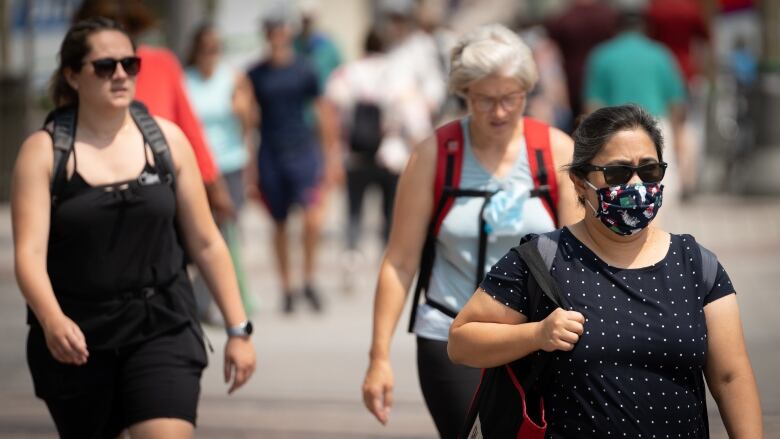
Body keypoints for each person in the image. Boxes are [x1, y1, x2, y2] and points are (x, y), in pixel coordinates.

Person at [448, 104, 763, 438]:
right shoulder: (541, 260)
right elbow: (461, 341)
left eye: (650, 170)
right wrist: (537, 334)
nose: (637, 184)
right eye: (618, 173)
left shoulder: (697, 265)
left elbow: (731, 377)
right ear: (580, 182)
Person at [11, 17, 256, 439]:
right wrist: (52, 321)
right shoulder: (43, 152)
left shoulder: (167, 141)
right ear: (72, 75)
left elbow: (206, 241)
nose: (121, 74)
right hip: (79, 338)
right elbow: (29, 255)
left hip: (162, 326)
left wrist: (239, 329)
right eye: (105, 66)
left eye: (130, 63)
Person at [361, 24, 581, 438]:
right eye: (484, 99)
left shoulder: (554, 151)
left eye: (510, 98)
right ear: (464, 93)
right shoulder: (434, 155)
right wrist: (379, 357)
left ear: (526, 91)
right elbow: (400, 261)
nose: (499, 111)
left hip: (536, 334)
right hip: (450, 334)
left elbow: (578, 253)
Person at [73, 0, 236, 225]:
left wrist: (213, 183)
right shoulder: (82, 75)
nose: (120, 74)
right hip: (102, 198)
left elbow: (190, 128)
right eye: (101, 29)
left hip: (163, 192)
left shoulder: (162, 64)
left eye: (121, 27)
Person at [247, 8, 339, 314]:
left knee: (313, 220)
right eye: (270, 29)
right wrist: (249, 164)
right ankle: (287, 287)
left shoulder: (305, 69)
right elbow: (249, 120)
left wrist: (330, 157)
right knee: (279, 223)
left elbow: (323, 112)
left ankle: (309, 279)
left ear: (288, 32)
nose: (276, 34)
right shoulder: (255, 73)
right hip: (270, 152)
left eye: (280, 28)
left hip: (302, 150)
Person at [583, 8, 687, 217]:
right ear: (645, 27)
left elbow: (592, 104)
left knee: (621, 194)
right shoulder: (660, 53)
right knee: (658, 192)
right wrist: (678, 137)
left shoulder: (602, 55)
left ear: (617, 27)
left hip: (614, 132)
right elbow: (676, 102)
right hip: (655, 130)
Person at [185, 23, 257, 320]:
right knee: (198, 234)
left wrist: (243, 112)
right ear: (196, 49)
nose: (210, 53)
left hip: (229, 165)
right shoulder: (184, 80)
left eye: (215, 48)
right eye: (205, 47)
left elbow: (250, 123)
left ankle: (208, 300)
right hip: (196, 167)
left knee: (226, 235)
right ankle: (199, 298)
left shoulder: (234, 78)